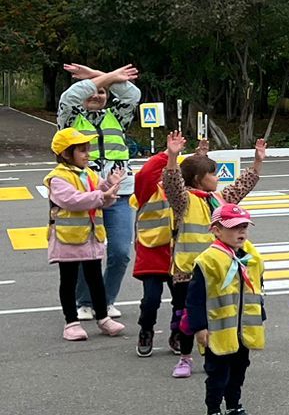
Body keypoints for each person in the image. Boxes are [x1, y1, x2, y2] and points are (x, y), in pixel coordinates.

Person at [162, 139, 265, 379]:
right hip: (187, 270)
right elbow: (172, 184)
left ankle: (218, 352)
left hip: (218, 268)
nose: (218, 178)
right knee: (187, 315)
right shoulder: (184, 201)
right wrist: (172, 157)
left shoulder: (218, 198)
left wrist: (258, 161)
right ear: (199, 179)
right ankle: (185, 357)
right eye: (213, 174)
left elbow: (242, 186)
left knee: (217, 313)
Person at [57, 62, 141, 318]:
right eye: (92, 91)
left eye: (103, 92)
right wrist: (105, 78)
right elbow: (70, 96)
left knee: (120, 252)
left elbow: (132, 95)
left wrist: (99, 76)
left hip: (119, 193)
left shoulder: (118, 115)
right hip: (84, 194)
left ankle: (106, 300)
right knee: (86, 251)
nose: (96, 95)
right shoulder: (70, 117)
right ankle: (84, 302)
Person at [183, 203, 264, 415]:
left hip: (242, 329)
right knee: (218, 373)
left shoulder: (250, 256)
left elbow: (257, 288)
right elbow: (195, 298)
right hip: (217, 330)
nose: (241, 232)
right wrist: (199, 327)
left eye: (244, 227)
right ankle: (213, 411)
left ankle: (234, 407)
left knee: (239, 370)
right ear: (216, 230)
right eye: (234, 227)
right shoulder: (208, 260)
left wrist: (261, 315)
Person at [45, 127, 125, 341]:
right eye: (82, 150)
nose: (87, 154)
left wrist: (110, 184)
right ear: (66, 154)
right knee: (68, 280)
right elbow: (73, 200)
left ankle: (103, 318)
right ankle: (71, 322)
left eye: (87, 149)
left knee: (95, 279)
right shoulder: (57, 178)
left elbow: (104, 198)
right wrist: (103, 193)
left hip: (91, 238)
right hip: (68, 238)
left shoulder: (89, 173)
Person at [132, 130, 188, 358]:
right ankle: (146, 329)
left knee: (181, 300)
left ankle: (177, 333)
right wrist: (168, 153)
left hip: (179, 254)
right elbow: (144, 174)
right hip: (153, 251)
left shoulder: (184, 194)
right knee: (151, 300)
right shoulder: (148, 191)